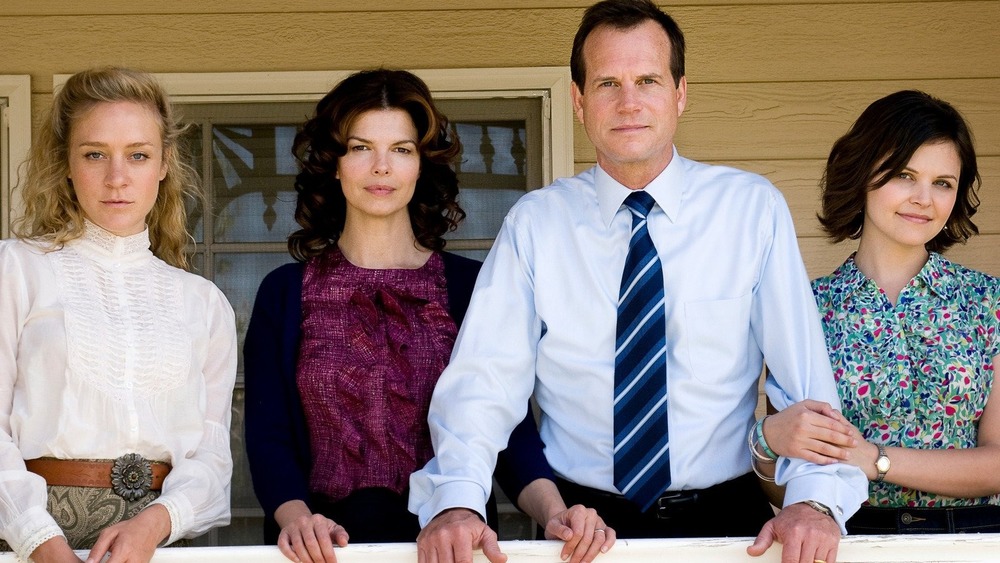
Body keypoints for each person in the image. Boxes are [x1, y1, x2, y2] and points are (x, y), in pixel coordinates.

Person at [409, 1, 869, 562]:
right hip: (579, 530)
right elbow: (483, 385)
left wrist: (815, 502)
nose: (629, 103)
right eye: (607, 83)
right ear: (579, 102)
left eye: (648, 80)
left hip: (727, 525)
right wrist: (457, 500)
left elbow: (805, 385)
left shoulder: (750, 210)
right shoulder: (535, 225)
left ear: (680, 93)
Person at [243, 69, 600, 563]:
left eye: (402, 150)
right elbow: (268, 436)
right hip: (321, 551)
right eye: (361, 147)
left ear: (421, 165)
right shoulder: (284, 293)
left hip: (452, 547)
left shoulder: (471, 287)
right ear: (334, 163)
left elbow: (506, 426)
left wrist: (553, 509)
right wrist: (297, 520)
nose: (381, 167)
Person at [0, 67, 237, 563]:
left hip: (158, 546)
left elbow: (210, 458)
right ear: (65, 162)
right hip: (28, 542)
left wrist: (155, 524)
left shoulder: (203, 303)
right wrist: (40, 542)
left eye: (138, 155)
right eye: (94, 154)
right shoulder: (15, 269)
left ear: (164, 164)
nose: (117, 177)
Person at [756, 90, 1000, 534]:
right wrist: (768, 447)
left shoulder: (987, 302)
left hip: (979, 539)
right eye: (906, 175)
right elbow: (788, 485)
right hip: (852, 538)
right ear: (864, 173)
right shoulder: (806, 310)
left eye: (943, 183)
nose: (924, 198)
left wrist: (875, 460)